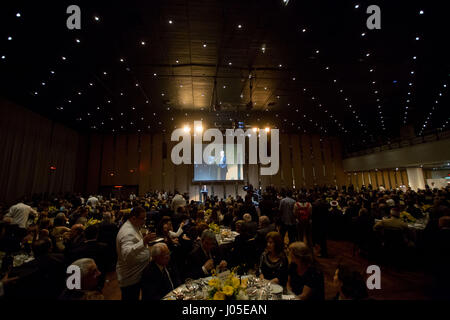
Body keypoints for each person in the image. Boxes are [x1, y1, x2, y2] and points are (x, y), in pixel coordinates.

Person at [116, 206, 156, 300]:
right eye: (142, 218)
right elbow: (127, 253)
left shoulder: (134, 225)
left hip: (136, 274)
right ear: (134, 218)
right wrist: (144, 241)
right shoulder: (127, 232)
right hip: (130, 277)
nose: (144, 221)